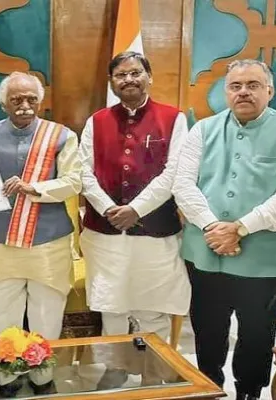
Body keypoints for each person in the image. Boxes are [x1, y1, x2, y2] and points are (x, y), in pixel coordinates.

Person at [174, 59, 276, 400]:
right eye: (235, 86)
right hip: (206, 251)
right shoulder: (202, 130)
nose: (243, 92)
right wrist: (213, 226)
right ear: (226, 91)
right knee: (208, 329)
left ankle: (249, 392)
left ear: (270, 90)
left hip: (263, 256)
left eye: (253, 85)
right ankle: (207, 388)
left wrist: (240, 228)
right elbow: (183, 184)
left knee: (256, 334)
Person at [79, 51, 191, 342]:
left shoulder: (173, 118)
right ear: (112, 82)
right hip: (105, 232)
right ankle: (114, 369)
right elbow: (84, 172)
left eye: (135, 73)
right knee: (111, 308)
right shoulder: (97, 120)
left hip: (155, 230)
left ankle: (156, 371)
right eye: (120, 75)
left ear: (148, 77)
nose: (128, 79)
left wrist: (137, 209)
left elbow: (174, 172)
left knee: (153, 309)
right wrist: (108, 209)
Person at [0, 72, 82, 340]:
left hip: (48, 243)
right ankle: (6, 378)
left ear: (41, 101)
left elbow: (75, 182)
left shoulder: (63, 137)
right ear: (3, 103)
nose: (25, 106)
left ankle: (43, 379)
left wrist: (34, 188)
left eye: (31, 99)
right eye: (17, 100)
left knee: (47, 315)